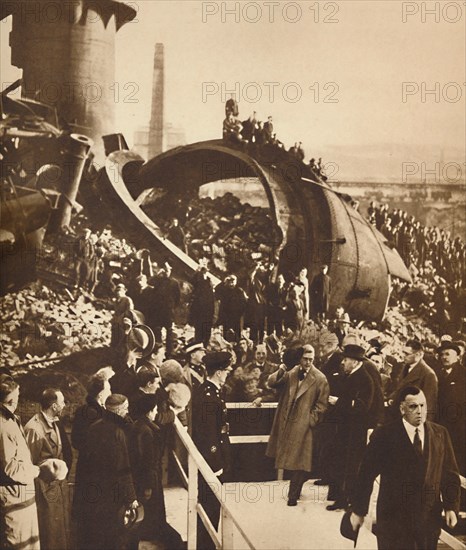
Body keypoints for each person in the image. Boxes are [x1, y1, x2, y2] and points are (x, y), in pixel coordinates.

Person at [350, 386, 460, 550]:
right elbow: (365, 474)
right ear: (402, 409)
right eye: (413, 406)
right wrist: (358, 510)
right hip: (394, 519)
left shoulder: (440, 434)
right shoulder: (384, 435)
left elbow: (450, 473)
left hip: (428, 519)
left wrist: (451, 507)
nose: (419, 411)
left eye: (423, 405)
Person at [266, 344, 329, 506]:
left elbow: (322, 405)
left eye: (311, 359)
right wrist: (283, 367)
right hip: (287, 423)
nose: (308, 363)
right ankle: (294, 491)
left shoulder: (320, 378)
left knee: (301, 461)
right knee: (290, 460)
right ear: (300, 359)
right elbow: (271, 383)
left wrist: (310, 420)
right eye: (305, 359)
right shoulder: (292, 372)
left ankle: (293, 494)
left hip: (304, 426)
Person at [78, 394, 138, 550]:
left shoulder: (94, 427)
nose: (128, 412)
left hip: (93, 491)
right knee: (114, 535)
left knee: (97, 534)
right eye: (125, 408)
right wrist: (131, 497)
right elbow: (123, 469)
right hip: (113, 493)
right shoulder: (118, 432)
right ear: (118, 411)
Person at [191, 351, 233, 549]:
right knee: (210, 505)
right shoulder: (208, 396)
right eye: (226, 370)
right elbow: (208, 434)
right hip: (211, 460)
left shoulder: (211, 390)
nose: (228, 373)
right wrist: (215, 464)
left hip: (214, 456)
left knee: (212, 506)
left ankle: (207, 543)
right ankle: (206, 545)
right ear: (218, 372)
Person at [326, 344, 374, 510]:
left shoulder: (365, 379)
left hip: (355, 432)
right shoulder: (349, 376)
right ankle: (341, 497)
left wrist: (338, 402)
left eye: (345, 360)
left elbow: (362, 406)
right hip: (344, 430)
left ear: (354, 362)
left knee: (351, 466)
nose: (343, 363)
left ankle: (347, 500)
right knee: (341, 462)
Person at [24, 389, 72, 550]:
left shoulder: (53, 422)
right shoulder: (34, 429)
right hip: (43, 489)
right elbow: (28, 463)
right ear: (54, 406)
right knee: (48, 532)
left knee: (59, 531)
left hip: (55, 488)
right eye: (62, 401)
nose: (64, 405)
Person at [0, 374, 41, 550]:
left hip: (22, 495)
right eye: (16, 398)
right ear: (9, 399)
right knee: (17, 544)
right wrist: (36, 471)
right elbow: (10, 467)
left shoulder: (11, 419)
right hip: (13, 496)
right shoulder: (3, 425)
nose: (18, 401)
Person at [388, 339, 438, 421]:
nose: (403, 355)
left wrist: (424, 426)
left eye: (407, 354)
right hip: (399, 415)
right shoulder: (406, 367)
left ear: (418, 355)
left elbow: (429, 406)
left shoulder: (428, 374)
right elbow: (400, 388)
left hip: (413, 419)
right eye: (403, 352)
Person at [436, 341, 466, 474]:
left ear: (458, 357)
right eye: (442, 354)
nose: (444, 357)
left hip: (459, 428)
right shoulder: (438, 374)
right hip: (441, 425)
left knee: (457, 463)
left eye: (448, 354)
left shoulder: (463, 374)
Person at [188, 266, 215, 346]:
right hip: (201, 312)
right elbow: (193, 281)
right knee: (200, 334)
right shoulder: (200, 283)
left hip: (206, 313)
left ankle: (203, 347)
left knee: (204, 334)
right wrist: (199, 272)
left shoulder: (208, 282)